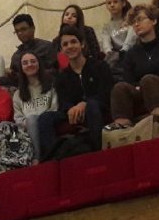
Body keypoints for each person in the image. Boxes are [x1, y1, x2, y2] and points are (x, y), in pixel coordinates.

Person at [37, 26, 114, 156]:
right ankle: (53, 158)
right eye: (65, 44)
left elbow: (106, 93)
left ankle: (98, 153)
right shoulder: (61, 77)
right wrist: (70, 108)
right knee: (44, 118)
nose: (70, 46)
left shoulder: (100, 66)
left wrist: (85, 104)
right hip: (74, 113)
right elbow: (64, 101)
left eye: (73, 42)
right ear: (61, 50)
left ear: (82, 44)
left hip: (98, 107)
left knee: (92, 106)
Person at [107, 4, 159, 131]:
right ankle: (122, 131)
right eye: (133, 22)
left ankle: (158, 127)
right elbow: (127, 79)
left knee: (148, 80)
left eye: (140, 19)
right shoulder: (131, 53)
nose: (136, 24)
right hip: (140, 89)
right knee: (119, 87)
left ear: (153, 21)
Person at [13, 52, 57, 161]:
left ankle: (37, 159)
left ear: (39, 64)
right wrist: (30, 122)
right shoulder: (17, 94)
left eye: (33, 61)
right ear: (21, 68)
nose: (29, 65)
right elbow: (18, 118)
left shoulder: (51, 86)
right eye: (25, 63)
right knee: (31, 119)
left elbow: (55, 109)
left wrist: (38, 120)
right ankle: (36, 159)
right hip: (26, 130)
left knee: (37, 119)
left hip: (48, 124)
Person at [4, 14, 58, 85]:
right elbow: (13, 80)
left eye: (23, 29)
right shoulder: (16, 56)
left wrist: (31, 73)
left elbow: (55, 71)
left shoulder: (47, 47)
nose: (20, 33)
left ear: (33, 28)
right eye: (17, 31)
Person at [99, 0, 137, 69]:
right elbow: (106, 43)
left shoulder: (131, 20)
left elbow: (132, 38)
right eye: (109, 3)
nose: (112, 5)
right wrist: (109, 53)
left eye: (115, 2)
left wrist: (123, 51)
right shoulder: (106, 26)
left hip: (130, 53)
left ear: (123, 3)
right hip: (114, 57)